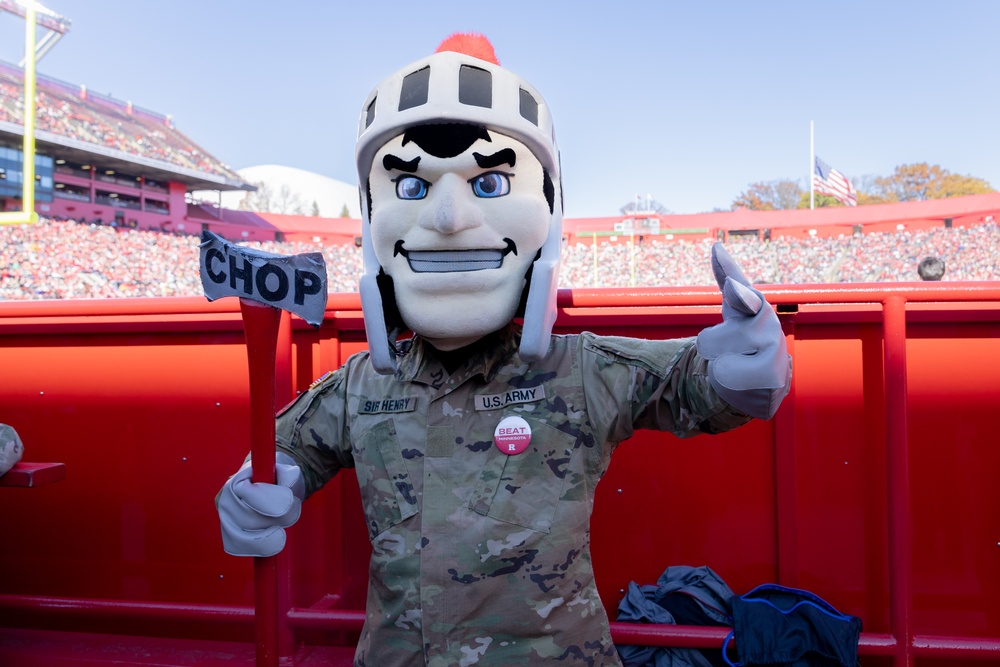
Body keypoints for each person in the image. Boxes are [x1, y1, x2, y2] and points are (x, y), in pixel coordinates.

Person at [216, 34, 792, 666]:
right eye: (411, 188)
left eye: (488, 182)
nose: (446, 218)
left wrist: (740, 368)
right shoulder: (360, 388)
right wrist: (254, 490)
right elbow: (287, 449)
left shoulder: (578, 371)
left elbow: (685, 386)